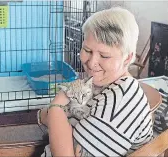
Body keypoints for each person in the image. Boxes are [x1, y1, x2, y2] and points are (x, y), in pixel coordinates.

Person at [38, 7, 153, 156]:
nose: (92, 63)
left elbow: (51, 116)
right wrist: (55, 113)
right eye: (87, 50)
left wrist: (55, 107)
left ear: (128, 58)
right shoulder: (103, 82)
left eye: (104, 56)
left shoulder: (117, 105)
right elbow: (48, 117)